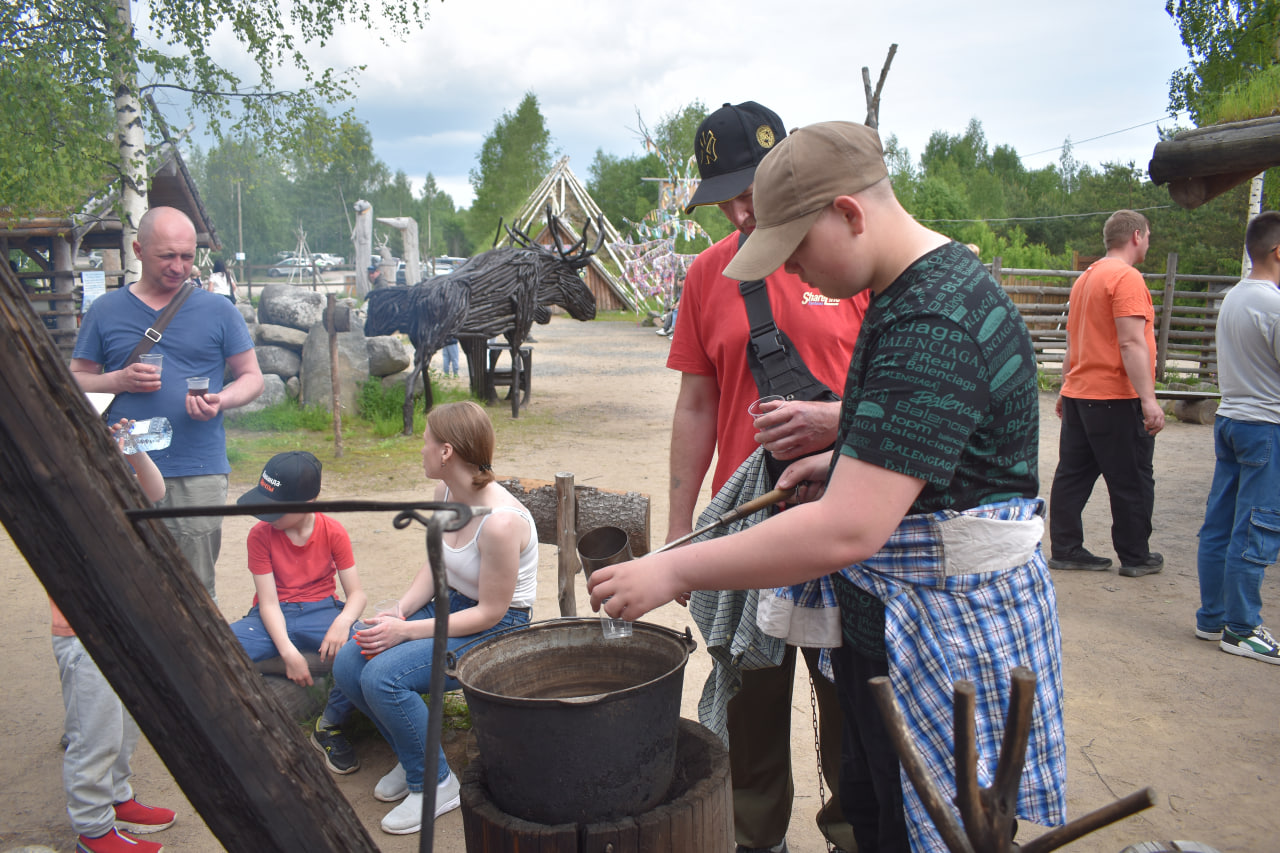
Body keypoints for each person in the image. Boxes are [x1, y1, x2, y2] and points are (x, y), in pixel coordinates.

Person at [589, 121, 1066, 853]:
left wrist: (674, 565)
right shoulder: (904, 292)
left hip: (942, 643)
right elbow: (904, 432)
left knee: (919, 830)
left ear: (848, 212)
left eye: (798, 248)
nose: (797, 273)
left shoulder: (932, 317)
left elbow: (848, 530)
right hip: (893, 627)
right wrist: (846, 454)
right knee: (877, 815)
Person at [668, 101, 869, 853]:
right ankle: (757, 836)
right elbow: (695, 403)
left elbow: (893, 390)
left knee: (849, 691)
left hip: (845, 516)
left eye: (752, 188)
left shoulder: (848, 261)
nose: (740, 209)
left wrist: (836, 422)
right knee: (749, 693)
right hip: (750, 520)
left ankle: (854, 831)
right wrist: (680, 526)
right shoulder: (705, 274)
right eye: (724, 196)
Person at [333, 401, 537, 836]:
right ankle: (414, 760)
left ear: (446, 451)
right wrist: (401, 609)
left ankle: (437, 784)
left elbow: (492, 612)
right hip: (451, 604)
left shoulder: (501, 523)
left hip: (498, 628)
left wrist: (405, 631)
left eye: (425, 440)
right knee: (350, 660)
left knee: (382, 677)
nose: (420, 448)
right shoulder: (446, 493)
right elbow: (435, 565)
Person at [71, 206, 265, 601]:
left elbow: (252, 378)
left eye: (188, 256)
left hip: (198, 468)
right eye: (167, 256)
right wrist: (117, 379)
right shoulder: (105, 310)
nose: (179, 266)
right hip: (122, 465)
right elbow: (74, 380)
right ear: (139, 250)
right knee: (123, 579)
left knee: (193, 588)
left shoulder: (219, 310)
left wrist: (220, 399)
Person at [52, 417, 176, 853]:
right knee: (94, 734)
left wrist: (129, 448)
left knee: (123, 726)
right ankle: (93, 829)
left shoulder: (108, 475)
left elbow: (155, 492)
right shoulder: (61, 483)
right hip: (84, 632)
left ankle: (118, 798)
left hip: (126, 624)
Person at [230, 451, 368, 773]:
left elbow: (357, 594)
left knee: (367, 647)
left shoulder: (332, 531)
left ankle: (329, 725)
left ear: (308, 502)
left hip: (322, 612)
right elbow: (268, 603)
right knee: (213, 645)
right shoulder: (260, 536)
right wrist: (289, 653)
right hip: (273, 617)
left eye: (274, 508)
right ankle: (287, 666)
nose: (264, 515)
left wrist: (343, 621)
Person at [1047, 210, 1165, 578]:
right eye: (1147, 235)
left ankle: (1066, 548)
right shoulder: (1126, 278)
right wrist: (1148, 399)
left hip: (1082, 393)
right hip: (1116, 394)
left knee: (1072, 474)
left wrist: (1067, 388)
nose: (1148, 241)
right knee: (1130, 476)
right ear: (1135, 235)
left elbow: (1074, 340)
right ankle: (1135, 555)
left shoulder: (1087, 277)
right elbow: (1130, 342)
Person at [1196, 210, 1280, 664]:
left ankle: (1212, 617)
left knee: (1221, 522)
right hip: (1267, 424)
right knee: (1257, 525)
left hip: (1231, 418)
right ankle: (1242, 627)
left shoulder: (1233, 297)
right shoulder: (1273, 304)